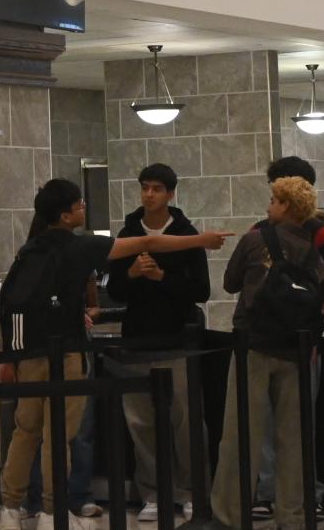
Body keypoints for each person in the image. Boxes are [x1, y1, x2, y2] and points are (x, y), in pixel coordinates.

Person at [0, 178, 226, 530]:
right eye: (79, 205)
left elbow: (9, 304)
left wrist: (8, 357)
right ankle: (52, 512)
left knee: (25, 431)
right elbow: (148, 242)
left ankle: (10, 509)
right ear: (65, 215)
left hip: (29, 354)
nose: (83, 208)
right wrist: (201, 240)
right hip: (67, 352)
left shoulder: (29, 250)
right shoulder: (81, 246)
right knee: (58, 434)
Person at [214, 175, 324, 530]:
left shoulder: (254, 239)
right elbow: (321, 295)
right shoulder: (311, 248)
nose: (269, 206)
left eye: (274, 200)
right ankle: (291, 515)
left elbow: (230, 283)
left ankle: (230, 515)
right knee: (292, 437)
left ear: (285, 206)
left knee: (241, 433)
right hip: (293, 350)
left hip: (253, 344)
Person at [106, 163, 211, 524]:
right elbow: (115, 289)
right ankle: (151, 492)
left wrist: (162, 276)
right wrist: (133, 274)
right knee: (140, 421)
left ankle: (192, 491)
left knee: (185, 420)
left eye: (156, 189)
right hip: (137, 338)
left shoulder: (187, 234)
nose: (149, 195)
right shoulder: (128, 234)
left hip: (177, 337)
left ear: (170, 194)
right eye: (145, 188)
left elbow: (201, 290)